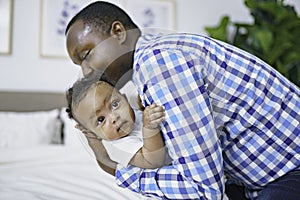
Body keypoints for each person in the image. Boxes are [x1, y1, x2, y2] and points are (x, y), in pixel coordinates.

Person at [65, 1, 300, 200]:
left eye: (86, 56)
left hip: (291, 170)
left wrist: (116, 171)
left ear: (118, 32)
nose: (86, 72)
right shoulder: (159, 50)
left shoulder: (158, 65)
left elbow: (205, 190)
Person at [66, 72, 170, 173]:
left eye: (115, 104)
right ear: (92, 133)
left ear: (124, 98)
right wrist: (150, 128)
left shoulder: (134, 115)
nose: (114, 117)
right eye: (101, 119)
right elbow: (153, 161)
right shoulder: (117, 146)